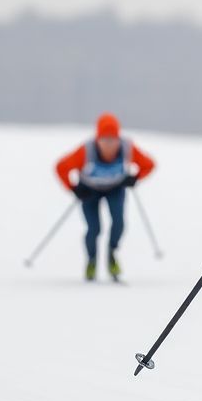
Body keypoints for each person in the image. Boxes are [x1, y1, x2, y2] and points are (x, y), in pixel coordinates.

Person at [55, 113, 156, 281]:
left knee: (119, 222)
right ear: (97, 139)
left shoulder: (127, 148)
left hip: (115, 189)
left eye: (113, 140)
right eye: (105, 140)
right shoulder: (85, 151)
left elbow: (149, 165)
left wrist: (135, 178)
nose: (109, 145)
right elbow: (61, 167)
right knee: (94, 228)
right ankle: (92, 260)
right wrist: (73, 188)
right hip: (89, 190)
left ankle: (112, 253)